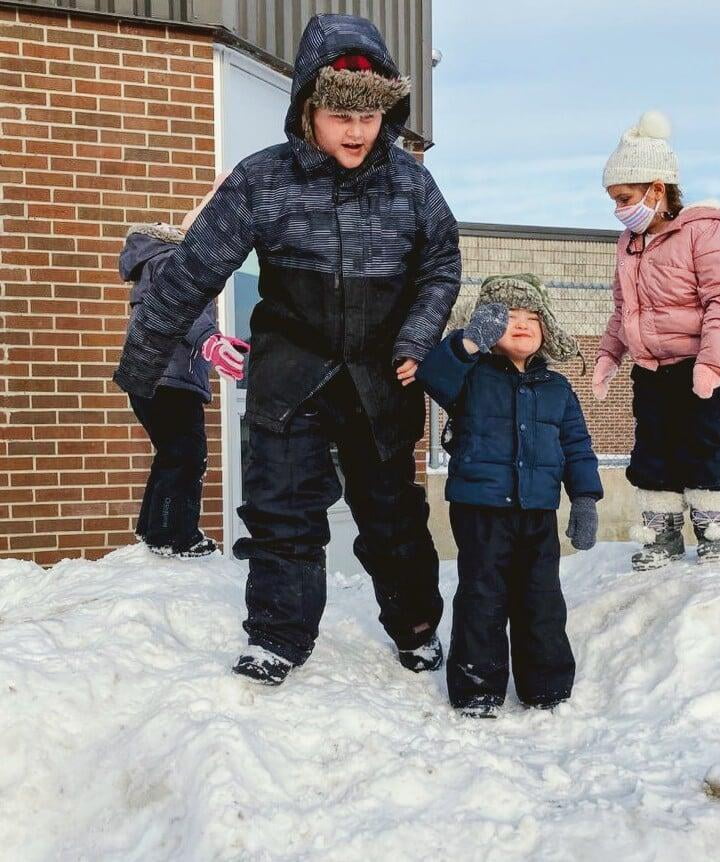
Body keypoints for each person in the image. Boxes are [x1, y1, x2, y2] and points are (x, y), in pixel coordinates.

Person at [112, 14, 461, 684]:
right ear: (308, 107)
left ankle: (416, 627)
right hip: (291, 368)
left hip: (379, 374)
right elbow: (193, 270)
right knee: (282, 510)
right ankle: (277, 633)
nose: (358, 131)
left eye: (371, 116)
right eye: (340, 115)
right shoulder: (263, 179)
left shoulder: (411, 184)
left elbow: (441, 266)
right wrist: (144, 361)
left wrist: (418, 334)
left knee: (391, 518)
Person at [417, 275, 602, 717]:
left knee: (541, 598)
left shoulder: (557, 388)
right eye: (508, 317)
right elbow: (433, 378)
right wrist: (467, 344)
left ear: (547, 330)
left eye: (531, 317)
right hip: (481, 510)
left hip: (537, 511)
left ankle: (547, 686)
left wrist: (584, 498)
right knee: (483, 596)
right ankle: (477, 688)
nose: (521, 324)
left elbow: (577, 445)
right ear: (487, 325)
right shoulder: (469, 376)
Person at [593, 111, 720, 570]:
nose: (619, 208)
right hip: (653, 369)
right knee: (654, 447)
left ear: (656, 189)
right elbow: (625, 309)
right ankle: (663, 535)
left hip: (704, 363)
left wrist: (712, 365)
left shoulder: (706, 232)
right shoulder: (630, 243)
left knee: (707, 442)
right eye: (614, 200)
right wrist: (608, 354)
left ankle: (713, 531)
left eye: (624, 197)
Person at [119, 176, 249, 558]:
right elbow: (179, 306)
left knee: (173, 453)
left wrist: (216, 338)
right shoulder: (173, 261)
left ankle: (153, 528)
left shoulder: (164, 260)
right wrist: (211, 340)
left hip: (157, 376)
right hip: (166, 378)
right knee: (187, 455)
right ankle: (173, 537)